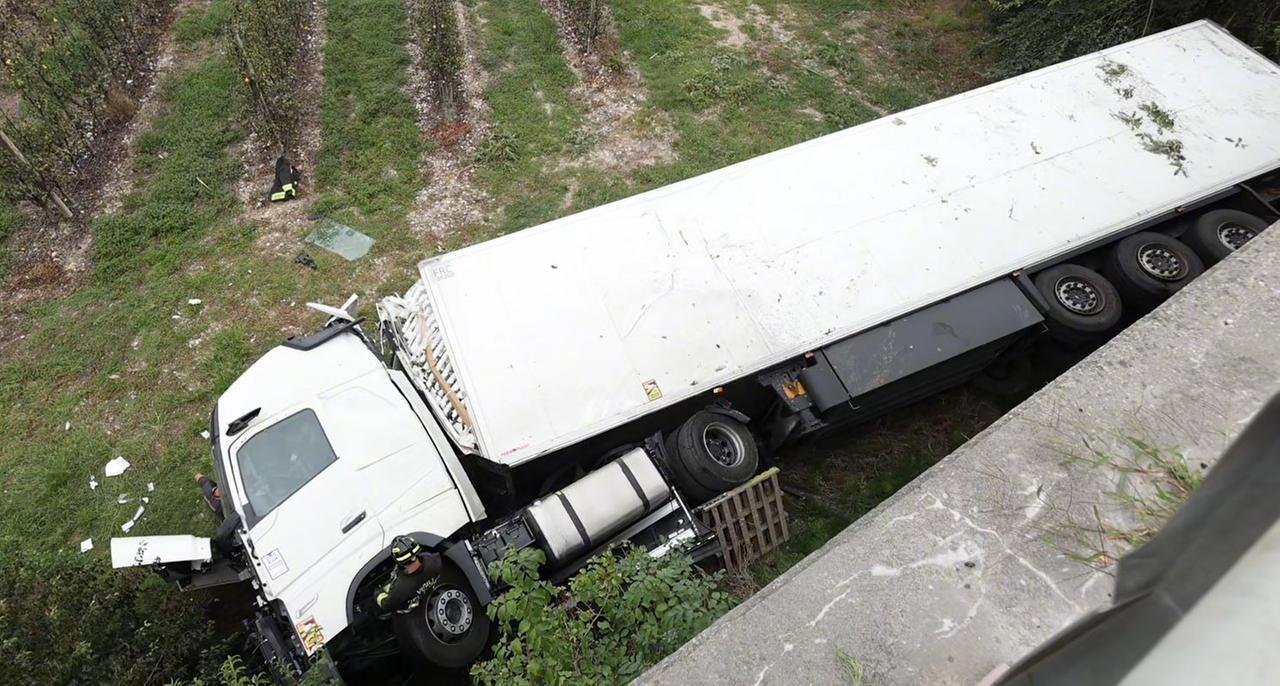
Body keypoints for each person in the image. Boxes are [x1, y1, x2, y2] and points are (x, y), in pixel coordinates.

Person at [376, 535, 443, 618]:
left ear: (401, 564)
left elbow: (387, 605)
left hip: (409, 610)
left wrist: (377, 593)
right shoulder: (433, 560)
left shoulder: (401, 588)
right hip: (429, 592)